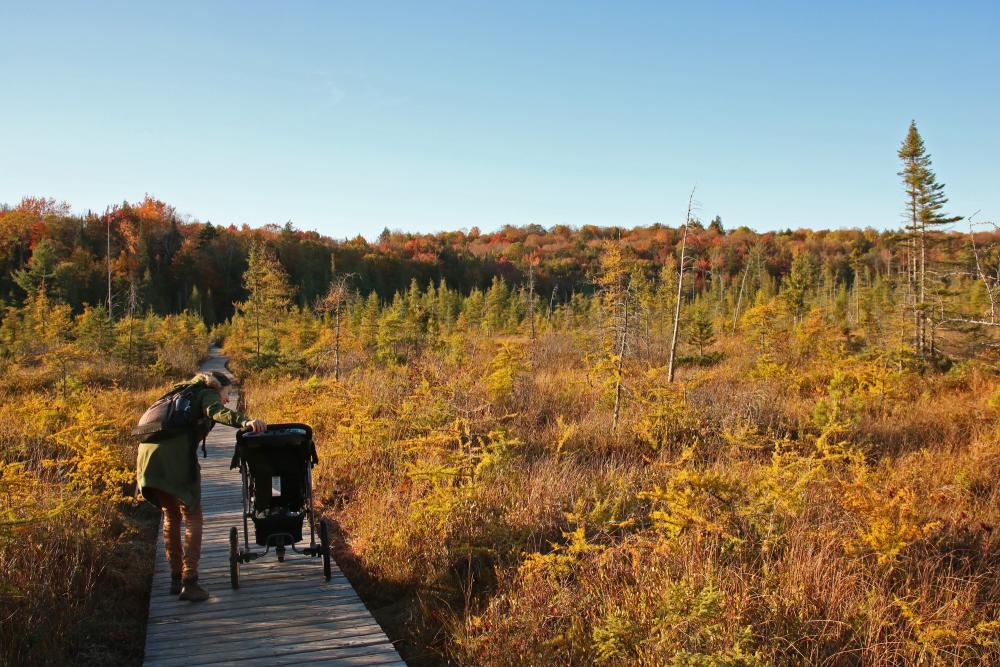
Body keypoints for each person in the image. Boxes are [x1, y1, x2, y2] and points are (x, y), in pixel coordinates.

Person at [135, 370, 266, 601]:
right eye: (227, 394)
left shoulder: (178, 391)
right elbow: (216, 412)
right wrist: (245, 421)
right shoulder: (207, 393)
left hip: (147, 458)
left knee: (171, 515)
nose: (227, 399)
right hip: (176, 458)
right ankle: (190, 581)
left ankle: (176, 578)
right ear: (219, 387)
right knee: (193, 515)